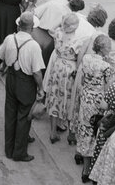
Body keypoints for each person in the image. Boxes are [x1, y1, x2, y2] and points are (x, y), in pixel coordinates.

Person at [0, 12, 46, 162]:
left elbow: (1, 55)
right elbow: (37, 73)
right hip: (26, 83)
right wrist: (41, 89)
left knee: (10, 113)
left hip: (11, 79)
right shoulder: (33, 46)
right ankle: (19, 152)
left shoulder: (10, 38)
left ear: (19, 25)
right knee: (24, 116)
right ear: (31, 28)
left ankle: (9, 148)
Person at [73, 33, 113, 182]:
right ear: (103, 49)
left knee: (83, 125)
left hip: (85, 96)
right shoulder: (106, 66)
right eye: (108, 47)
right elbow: (108, 87)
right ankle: (86, 169)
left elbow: (83, 78)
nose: (110, 50)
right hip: (96, 100)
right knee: (93, 131)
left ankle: (79, 151)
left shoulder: (86, 58)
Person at [44, 12, 83, 143]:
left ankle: (53, 131)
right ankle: (62, 123)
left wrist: (61, 24)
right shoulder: (78, 41)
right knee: (66, 98)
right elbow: (79, 58)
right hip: (69, 70)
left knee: (54, 97)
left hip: (57, 66)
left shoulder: (58, 34)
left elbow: (52, 30)